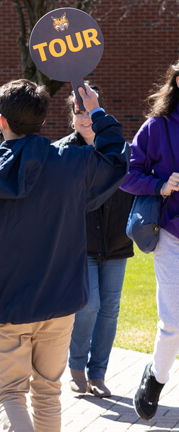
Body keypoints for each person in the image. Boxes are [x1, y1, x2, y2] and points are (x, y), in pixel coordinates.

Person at [0, 80, 129, 432]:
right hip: (59, 303)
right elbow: (116, 158)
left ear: (1, 121)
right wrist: (96, 111)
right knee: (47, 392)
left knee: (10, 393)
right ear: (43, 121)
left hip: (8, 305)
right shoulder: (72, 164)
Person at [56, 86, 134, 398]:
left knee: (110, 309)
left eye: (89, 110)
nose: (84, 117)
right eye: (78, 112)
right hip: (79, 243)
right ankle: (76, 367)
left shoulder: (118, 147)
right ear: (71, 117)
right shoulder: (61, 152)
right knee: (88, 306)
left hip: (116, 239)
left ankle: (98, 373)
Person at [121, 60, 179, 421]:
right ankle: (156, 378)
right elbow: (129, 176)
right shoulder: (156, 127)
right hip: (171, 235)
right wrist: (160, 185)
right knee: (173, 320)